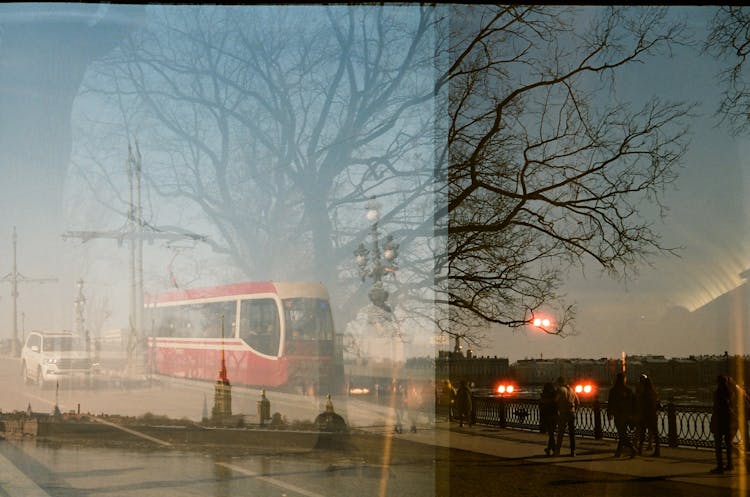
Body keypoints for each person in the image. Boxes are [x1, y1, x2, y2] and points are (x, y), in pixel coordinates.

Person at [710, 375, 737, 474]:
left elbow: (716, 408)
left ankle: (720, 466)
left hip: (719, 422)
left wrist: (713, 422)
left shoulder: (717, 393)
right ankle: (730, 464)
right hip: (729, 421)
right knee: (728, 444)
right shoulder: (731, 392)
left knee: (718, 445)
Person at [607, 372, 636, 458]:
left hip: (618, 415)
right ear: (624, 380)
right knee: (622, 434)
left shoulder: (613, 390)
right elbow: (633, 403)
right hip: (627, 415)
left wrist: (609, 414)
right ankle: (618, 452)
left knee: (622, 434)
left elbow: (610, 403)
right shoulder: (628, 390)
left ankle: (632, 448)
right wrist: (632, 414)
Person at [635, 373, 661, 457]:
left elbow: (641, 403)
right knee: (655, 433)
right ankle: (657, 451)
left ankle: (640, 450)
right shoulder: (654, 393)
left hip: (645, 415)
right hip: (653, 415)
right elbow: (657, 404)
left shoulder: (644, 393)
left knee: (642, 433)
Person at [554, 376, 580, 456]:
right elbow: (578, 402)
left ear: (560, 382)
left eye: (558, 383)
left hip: (563, 413)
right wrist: (574, 410)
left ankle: (557, 451)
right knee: (572, 433)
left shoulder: (560, 390)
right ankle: (573, 451)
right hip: (571, 413)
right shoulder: (572, 390)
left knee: (561, 433)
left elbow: (555, 400)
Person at [539, 382, 558, 456]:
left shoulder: (543, 396)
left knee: (551, 434)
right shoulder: (555, 395)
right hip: (554, 416)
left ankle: (553, 449)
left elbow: (541, 408)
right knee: (552, 433)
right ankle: (549, 448)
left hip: (546, 417)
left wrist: (541, 420)